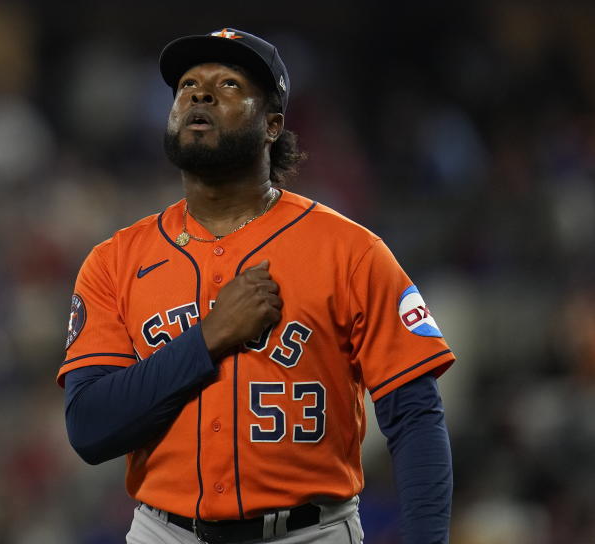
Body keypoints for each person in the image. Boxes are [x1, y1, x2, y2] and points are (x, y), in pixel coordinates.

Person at [58, 28, 455, 544]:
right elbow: (89, 428)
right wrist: (209, 337)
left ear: (272, 126)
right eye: (186, 85)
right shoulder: (114, 261)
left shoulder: (350, 251)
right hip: (166, 531)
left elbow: (415, 415)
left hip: (311, 532)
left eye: (227, 85)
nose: (199, 93)